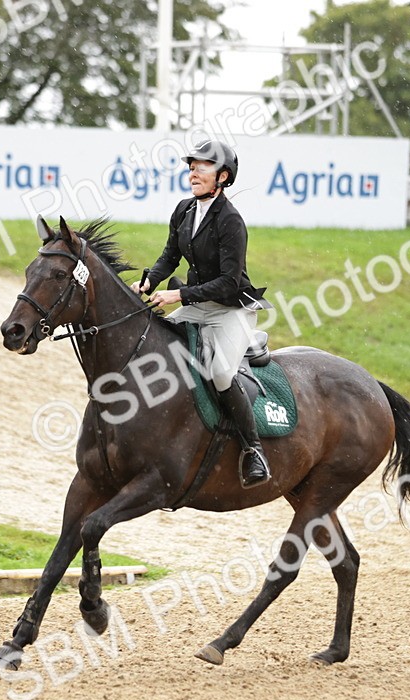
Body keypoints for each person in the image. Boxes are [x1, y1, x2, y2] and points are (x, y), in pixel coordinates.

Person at [135, 140, 272, 488]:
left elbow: (228, 282)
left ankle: (253, 450)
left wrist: (178, 294)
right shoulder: (184, 210)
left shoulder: (230, 221)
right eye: (191, 167)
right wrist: (149, 282)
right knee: (153, 344)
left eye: (202, 167)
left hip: (231, 311)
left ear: (222, 177)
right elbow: (170, 256)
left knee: (222, 373)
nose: (193, 173)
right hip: (196, 308)